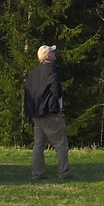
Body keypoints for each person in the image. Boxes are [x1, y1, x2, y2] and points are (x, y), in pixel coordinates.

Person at [23, 44, 72, 180]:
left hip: (36, 114)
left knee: (38, 145)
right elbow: (56, 89)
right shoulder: (51, 71)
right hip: (49, 113)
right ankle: (64, 172)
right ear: (48, 56)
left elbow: (27, 91)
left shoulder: (33, 73)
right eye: (52, 52)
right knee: (61, 143)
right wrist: (57, 101)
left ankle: (37, 173)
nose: (55, 54)